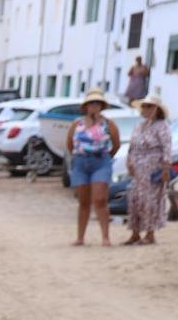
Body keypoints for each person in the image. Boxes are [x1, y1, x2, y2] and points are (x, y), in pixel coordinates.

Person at [66, 89, 122, 247]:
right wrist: (79, 155)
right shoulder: (77, 124)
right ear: (86, 106)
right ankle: (80, 237)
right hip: (81, 162)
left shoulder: (109, 124)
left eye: (97, 103)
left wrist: (106, 157)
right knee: (83, 201)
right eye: (91, 103)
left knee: (100, 199)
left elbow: (116, 144)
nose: (94, 106)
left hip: (101, 161)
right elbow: (70, 144)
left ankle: (105, 236)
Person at [124, 95, 170, 245]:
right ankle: (135, 232)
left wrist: (165, 168)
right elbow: (132, 146)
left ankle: (150, 233)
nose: (146, 109)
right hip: (138, 169)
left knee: (150, 200)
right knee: (135, 199)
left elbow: (167, 148)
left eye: (149, 106)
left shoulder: (162, 126)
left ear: (157, 109)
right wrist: (129, 161)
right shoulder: (140, 126)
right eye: (144, 106)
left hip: (152, 167)